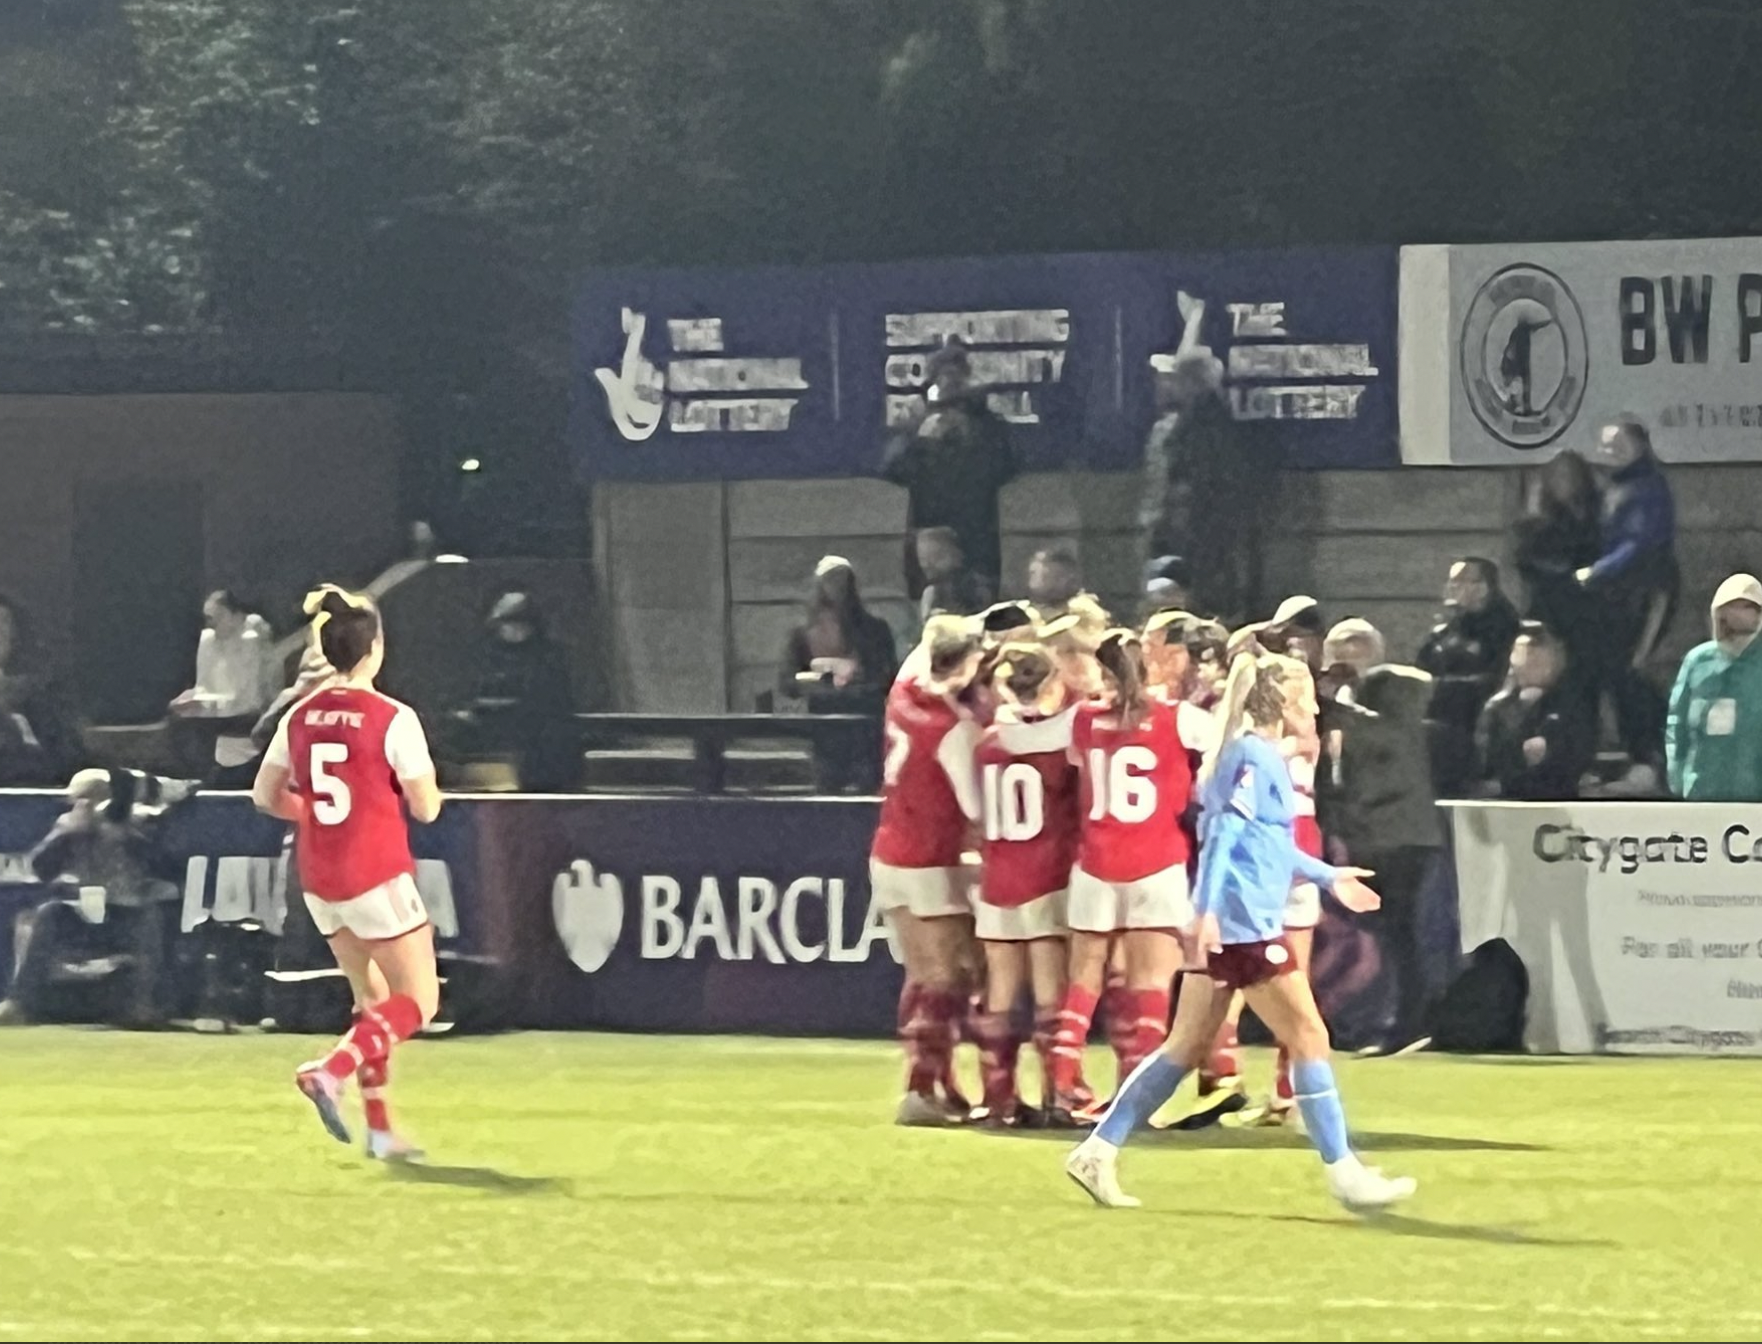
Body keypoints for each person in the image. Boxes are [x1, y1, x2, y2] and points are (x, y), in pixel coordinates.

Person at [1064, 651, 1416, 1214]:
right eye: (1304, 693)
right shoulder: (1254, 754)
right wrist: (1204, 911)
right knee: (1308, 1036)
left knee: (1183, 1046)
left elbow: (1267, 843)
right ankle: (1344, 1171)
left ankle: (1098, 1150)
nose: (1315, 706)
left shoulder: (1256, 754)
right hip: (1243, 924)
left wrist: (1328, 876)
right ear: (1279, 701)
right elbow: (1226, 834)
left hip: (1232, 920)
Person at [252, 586, 444, 1160]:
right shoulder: (393, 717)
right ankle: (330, 1071)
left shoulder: (301, 713)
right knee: (420, 1001)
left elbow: (265, 794)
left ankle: (381, 1133)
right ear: (376, 649)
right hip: (375, 870)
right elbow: (427, 807)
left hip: (320, 875)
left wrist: (311, 813)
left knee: (372, 998)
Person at [1046, 631, 1195, 1121]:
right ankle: (1137, 1096)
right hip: (1155, 861)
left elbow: (1063, 760)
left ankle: (1063, 1077)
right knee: (1150, 981)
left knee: (1084, 976)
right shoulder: (1178, 718)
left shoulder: (1084, 719)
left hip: (1096, 863)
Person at [869, 616, 985, 1125]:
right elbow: (975, 806)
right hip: (930, 858)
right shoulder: (952, 729)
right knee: (948, 975)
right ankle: (921, 1086)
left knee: (922, 973)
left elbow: (928, 644)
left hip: (889, 851)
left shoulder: (902, 693)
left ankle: (935, 1081)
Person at [970, 642, 1079, 1125]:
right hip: (1045, 874)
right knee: (1050, 994)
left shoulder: (989, 741)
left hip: (998, 876)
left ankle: (997, 1098)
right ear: (1050, 684)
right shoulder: (1054, 745)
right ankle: (1059, 1095)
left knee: (1000, 991)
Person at [1578, 415, 1678, 793]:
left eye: (1618, 444)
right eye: (1605, 445)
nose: (1609, 452)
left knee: (1631, 671)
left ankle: (1649, 759)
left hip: (1646, 594)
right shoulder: (1610, 488)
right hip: (1614, 601)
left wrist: (1595, 572)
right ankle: (1642, 755)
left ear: (1640, 446)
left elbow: (1638, 544)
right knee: (1614, 674)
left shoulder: (1649, 487)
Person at [881, 338, 1017, 600]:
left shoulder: (987, 428)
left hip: (976, 533)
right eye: (942, 377)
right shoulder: (919, 428)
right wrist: (922, 434)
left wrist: (972, 431)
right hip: (930, 530)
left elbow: (1007, 465)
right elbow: (891, 469)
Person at [779, 556, 898, 792]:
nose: (836, 588)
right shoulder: (803, 632)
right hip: (825, 730)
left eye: (842, 580)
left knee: (868, 796)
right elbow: (786, 682)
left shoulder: (874, 630)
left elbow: (890, 677)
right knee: (827, 795)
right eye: (830, 581)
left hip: (865, 728)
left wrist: (859, 679)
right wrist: (815, 680)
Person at [1416, 559, 1522, 796]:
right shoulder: (1443, 632)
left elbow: (1498, 678)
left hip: (1475, 719)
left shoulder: (1504, 628)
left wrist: (1442, 688)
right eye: (1452, 580)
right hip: (1439, 714)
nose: (1452, 587)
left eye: (1461, 581)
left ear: (1483, 587)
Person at [1666, 574, 1762, 802]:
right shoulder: (1698, 660)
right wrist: (1677, 774)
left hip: (1754, 793)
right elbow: (1676, 721)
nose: (1738, 614)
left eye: (1747, 607)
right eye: (1731, 607)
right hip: (1701, 789)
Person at [170, 590, 280, 786]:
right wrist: (192, 700)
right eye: (208, 618)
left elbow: (249, 701)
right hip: (223, 712)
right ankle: (192, 780)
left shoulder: (252, 639)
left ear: (237, 616)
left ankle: (212, 779)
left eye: (217, 617)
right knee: (178, 720)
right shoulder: (209, 640)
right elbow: (204, 686)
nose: (211, 623)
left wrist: (205, 706)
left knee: (197, 729)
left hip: (255, 715)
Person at [1476, 622, 1595, 801]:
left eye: (1539, 659)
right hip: (1509, 800)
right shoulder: (1498, 708)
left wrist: (1551, 751)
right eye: (1526, 657)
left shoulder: (1572, 705)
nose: (1532, 664)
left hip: (1559, 799)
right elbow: (1487, 761)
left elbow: (1580, 751)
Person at [914, 527, 992, 627]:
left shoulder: (978, 586)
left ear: (959, 554)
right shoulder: (931, 593)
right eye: (923, 559)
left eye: (938, 556)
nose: (928, 565)